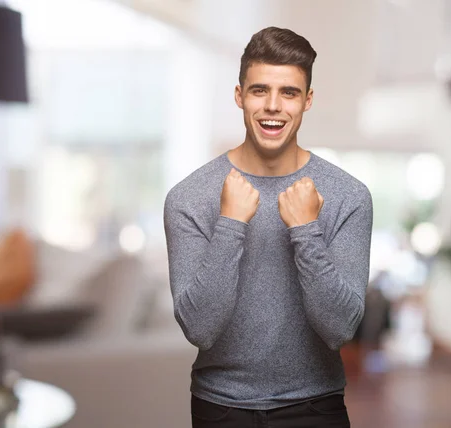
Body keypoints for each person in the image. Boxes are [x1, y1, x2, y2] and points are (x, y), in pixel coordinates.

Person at [164, 26, 373, 428]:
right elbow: (199, 329)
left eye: (289, 93)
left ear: (307, 100)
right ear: (240, 96)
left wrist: (306, 231)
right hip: (220, 408)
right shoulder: (188, 198)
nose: (273, 106)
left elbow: (339, 329)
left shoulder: (349, 196)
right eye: (260, 90)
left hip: (316, 406)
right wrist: (230, 224)